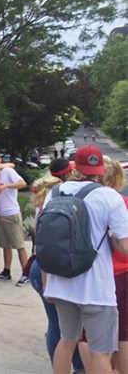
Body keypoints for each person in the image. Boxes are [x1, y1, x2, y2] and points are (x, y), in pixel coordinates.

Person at [44, 146, 128, 374]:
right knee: (101, 352)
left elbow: (45, 239)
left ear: (76, 168)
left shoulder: (55, 193)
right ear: (100, 170)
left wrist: (46, 283)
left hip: (61, 283)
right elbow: (124, 246)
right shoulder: (110, 196)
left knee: (66, 341)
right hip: (96, 289)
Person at [28, 172, 87, 373]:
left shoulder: (45, 213)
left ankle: (64, 366)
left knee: (58, 324)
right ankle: (73, 366)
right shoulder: (52, 213)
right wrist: (47, 283)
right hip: (45, 270)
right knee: (61, 326)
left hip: (40, 268)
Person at [0, 149, 29, 285]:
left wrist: (7, 186)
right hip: (0, 214)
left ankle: (26, 272)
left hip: (11, 213)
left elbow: (23, 183)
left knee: (19, 244)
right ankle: (6, 271)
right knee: (5, 245)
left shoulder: (7, 172)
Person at [102, 158, 128, 374]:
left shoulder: (91, 203)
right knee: (124, 334)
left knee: (92, 334)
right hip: (124, 273)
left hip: (99, 276)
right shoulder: (124, 203)